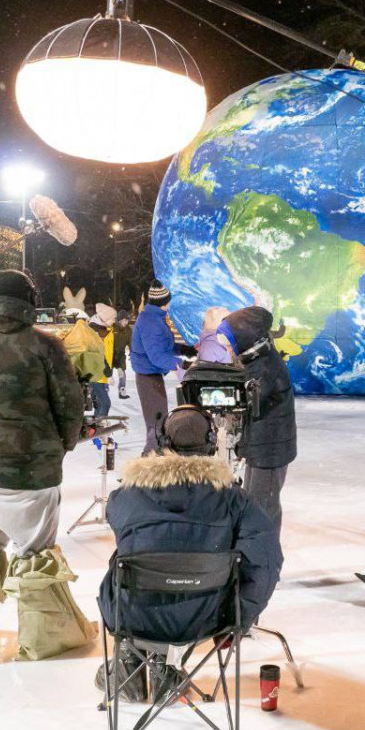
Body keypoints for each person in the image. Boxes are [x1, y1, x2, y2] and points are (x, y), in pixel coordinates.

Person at [0, 270, 91, 660]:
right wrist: (61, 445)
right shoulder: (45, 346)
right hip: (34, 473)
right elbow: (70, 406)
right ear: (29, 300)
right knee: (35, 552)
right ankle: (44, 639)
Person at [97, 405, 282, 696]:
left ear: (162, 443)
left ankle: (129, 657)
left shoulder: (124, 497)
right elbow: (266, 564)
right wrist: (238, 619)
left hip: (132, 616)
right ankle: (163, 665)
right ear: (211, 445)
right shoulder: (235, 499)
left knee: (125, 559)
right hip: (205, 618)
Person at [222, 306, 297, 527]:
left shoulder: (264, 366)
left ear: (244, 338)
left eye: (230, 341)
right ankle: (255, 551)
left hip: (271, 449)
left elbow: (248, 402)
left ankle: (264, 556)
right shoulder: (257, 359)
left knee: (263, 509)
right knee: (254, 502)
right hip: (261, 445)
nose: (227, 347)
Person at [130, 281, 183, 454]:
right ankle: (148, 470)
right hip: (148, 377)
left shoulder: (154, 317)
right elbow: (157, 356)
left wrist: (186, 349)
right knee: (156, 427)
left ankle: (153, 463)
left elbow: (163, 346)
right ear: (166, 301)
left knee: (159, 424)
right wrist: (182, 365)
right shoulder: (151, 321)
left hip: (152, 376)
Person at [62, 309, 111, 418]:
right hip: (83, 379)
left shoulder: (70, 336)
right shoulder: (87, 337)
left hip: (74, 381)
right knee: (100, 403)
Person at [112, 310, 133, 399]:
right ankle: (101, 393)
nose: (126, 322)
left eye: (127, 320)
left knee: (122, 374)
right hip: (110, 355)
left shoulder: (128, 330)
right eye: (124, 320)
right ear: (119, 320)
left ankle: (122, 391)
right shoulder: (112, 327)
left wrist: (132, 352)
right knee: (106, 374)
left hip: (120, 356)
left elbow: (131, 342)